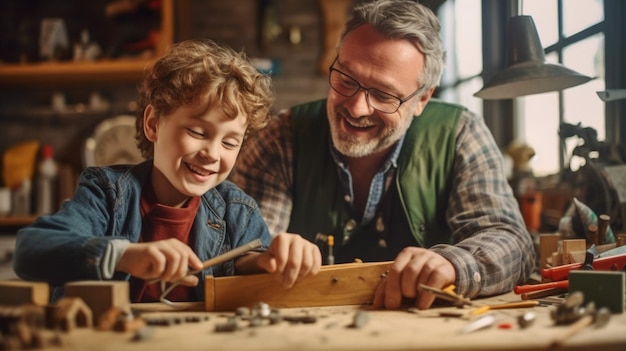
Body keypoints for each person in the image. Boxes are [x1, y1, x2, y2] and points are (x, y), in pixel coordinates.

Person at [229, 0, 536, 310]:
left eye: (383, 94)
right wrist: (264, 257)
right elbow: (239, 251)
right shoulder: (282, 137)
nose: (356, 107)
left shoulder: (459, 133)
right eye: (346, 80)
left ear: (422, 99)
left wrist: (454, 264)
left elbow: (512, 242)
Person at [13, 39, 321, 303]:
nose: (212, 154)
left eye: (230, 142)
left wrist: (273, 259)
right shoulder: (106, 192)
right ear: (153, 124)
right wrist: (124, 256)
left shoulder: (236, 209)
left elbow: (245, 264)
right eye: (198, 132)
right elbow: (32, 251)